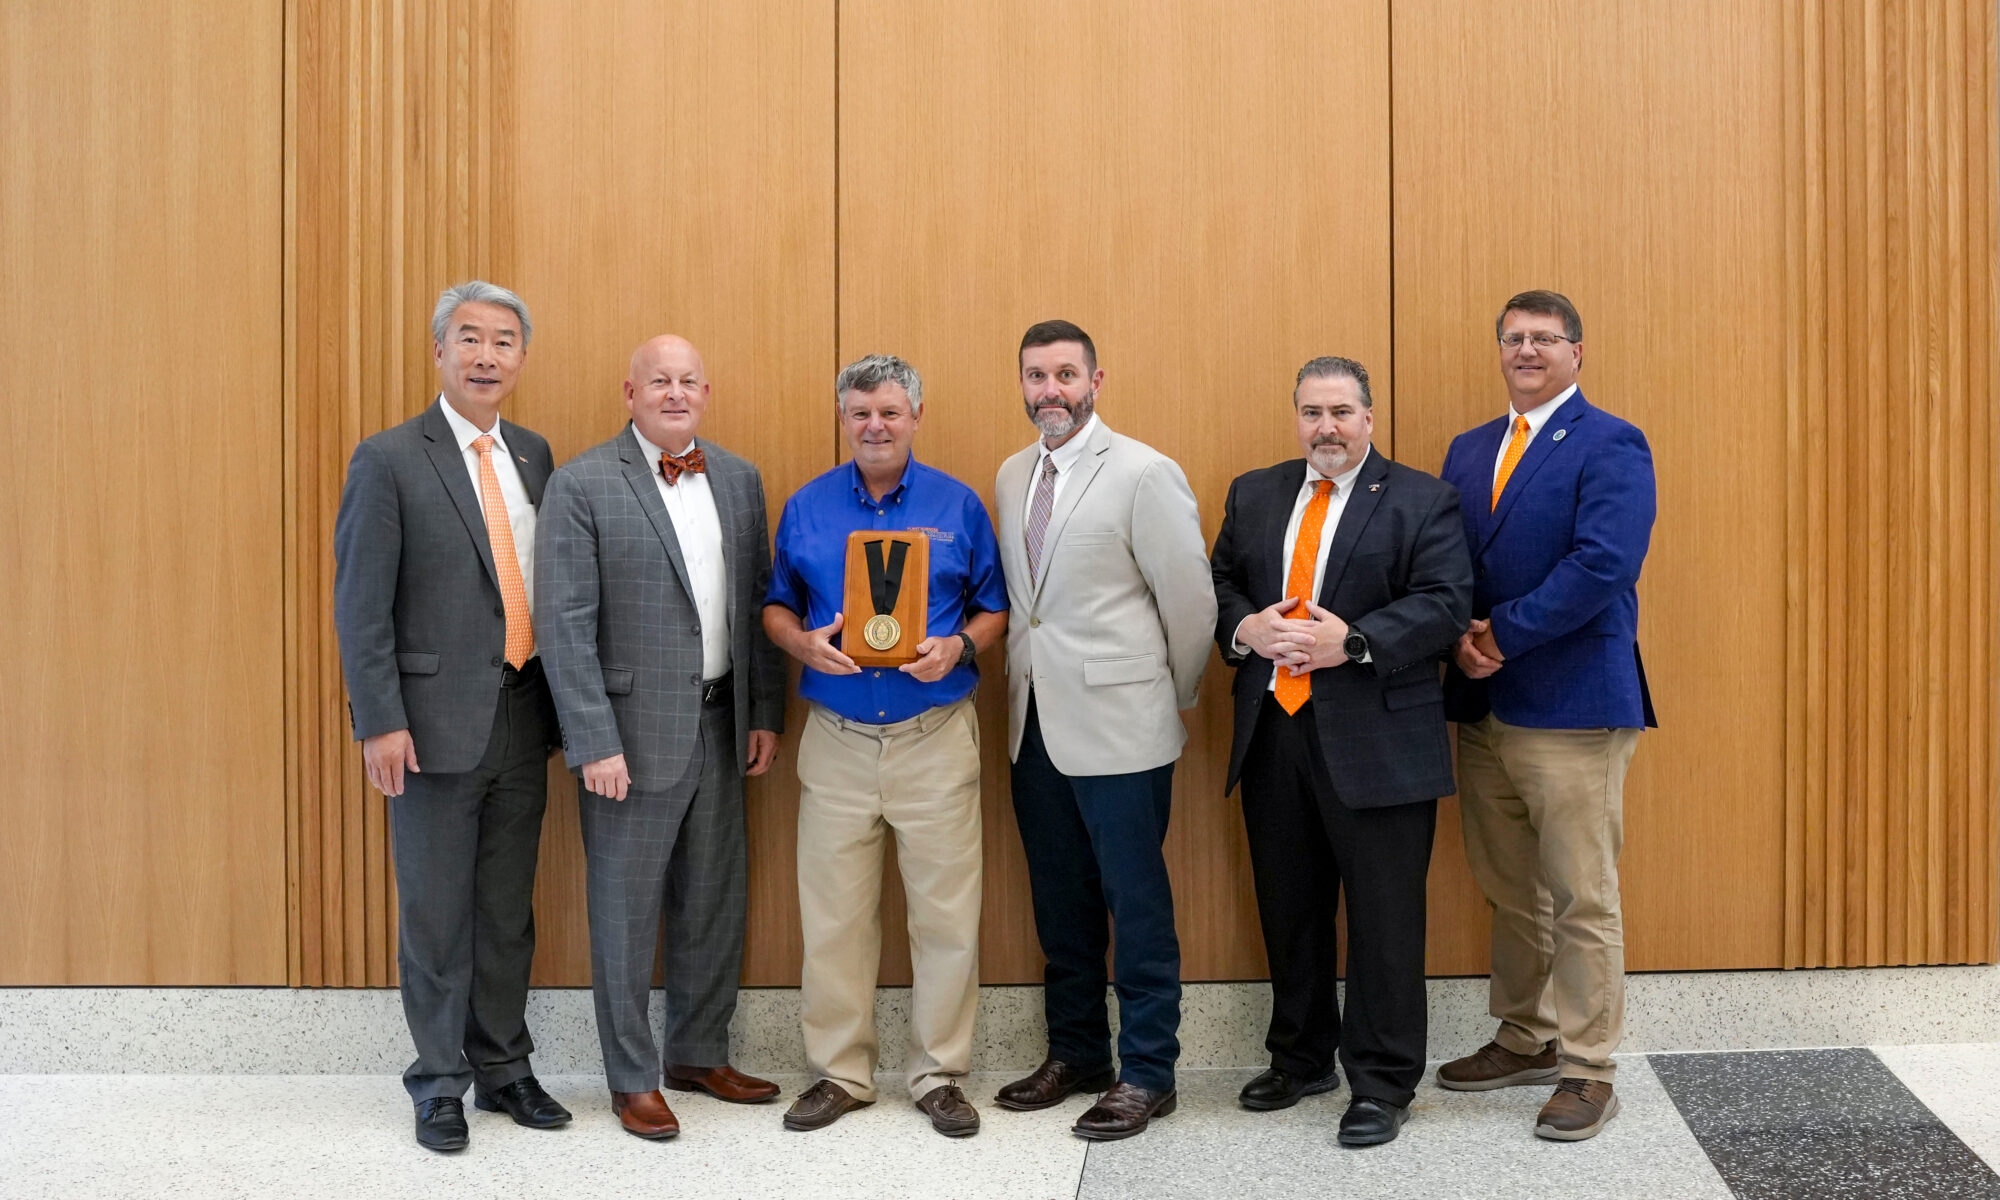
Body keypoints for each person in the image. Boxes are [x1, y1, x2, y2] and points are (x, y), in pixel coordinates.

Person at [1210, 356, 1471, 1146]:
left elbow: (1446, 603)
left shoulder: (1423, 498)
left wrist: (1352, 642)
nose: (1326, 428)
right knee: (1290, 908)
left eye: (1341, 413)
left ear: (1368, 417)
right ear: (1296, 416)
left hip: (1380, 740)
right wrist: (1244, 627)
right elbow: (1217, 581)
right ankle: (1299, 1057)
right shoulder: (1255, 491)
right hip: (1274, 732)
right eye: (1312, 412)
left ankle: (1383, 1083)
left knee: (1386, 920)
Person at [333, 280, 570, 1151]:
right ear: (439, 352)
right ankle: (438, 1082)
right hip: (427, 726)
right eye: (468, 339)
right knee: (435, 912)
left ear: (520, 358)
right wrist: (378, 720)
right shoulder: (390, 457)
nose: (485, 356)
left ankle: (505, 1069)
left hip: (522, 713)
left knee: (507, 910)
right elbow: (361, 606)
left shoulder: (538, 455)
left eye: (503, 341)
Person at [534, 335, 784, 1139]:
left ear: (706, 391)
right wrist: (592, 740)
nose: (674, 393)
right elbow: (564, 626)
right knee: (625, 909)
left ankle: (698, 1052)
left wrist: (765, 714)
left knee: (715, 897)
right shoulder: (581, 483)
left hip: (723, 720)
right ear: (630, 392)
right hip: (629, 736)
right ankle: (632, 1075)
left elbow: (755, 607)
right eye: (658, 382)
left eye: (687, 382)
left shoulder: (740, 479)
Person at [761, 354, 1007, 1138]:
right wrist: (800, 644)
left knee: (946, 917)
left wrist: (960, 650)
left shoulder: (958, 505)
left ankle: (938, 1074)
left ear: (916, 417)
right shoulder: (805, 507)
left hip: (933, 735)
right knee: (833, 917)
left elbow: (993, 609)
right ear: (843, 417)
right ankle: (841, 1074)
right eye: (862, 412)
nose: (876, 425)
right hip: (834, 740)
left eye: (891, 412)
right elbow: (775, 606)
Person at [1436, 289, 1657, 1141]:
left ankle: (1588, 1066)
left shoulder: (1611, 441)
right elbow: (1445, 556)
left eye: (1545, 338)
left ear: (1576, 352)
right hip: (1484, 702)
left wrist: (1503, 636)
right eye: (1513, 338)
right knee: (1507, 887)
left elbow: (1604, 563)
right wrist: (1459, 636)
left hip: (1570, 704)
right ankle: (1526, 1036)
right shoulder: (1470, 448)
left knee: (1580, 894)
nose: (1526, 350)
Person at [992, 319, 1217, 1140]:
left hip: (1124, 726)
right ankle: (1079, 1051)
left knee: (1136, 900)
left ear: (1097, 380)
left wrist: (1171, 696)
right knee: (1061, 901)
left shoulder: (1144, 472)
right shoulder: (1014, 475)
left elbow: (1191, 603)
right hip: (1035, 725)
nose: (1050, 390)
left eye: (1065, 375)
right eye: (1035, 376)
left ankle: (1149, 1070)